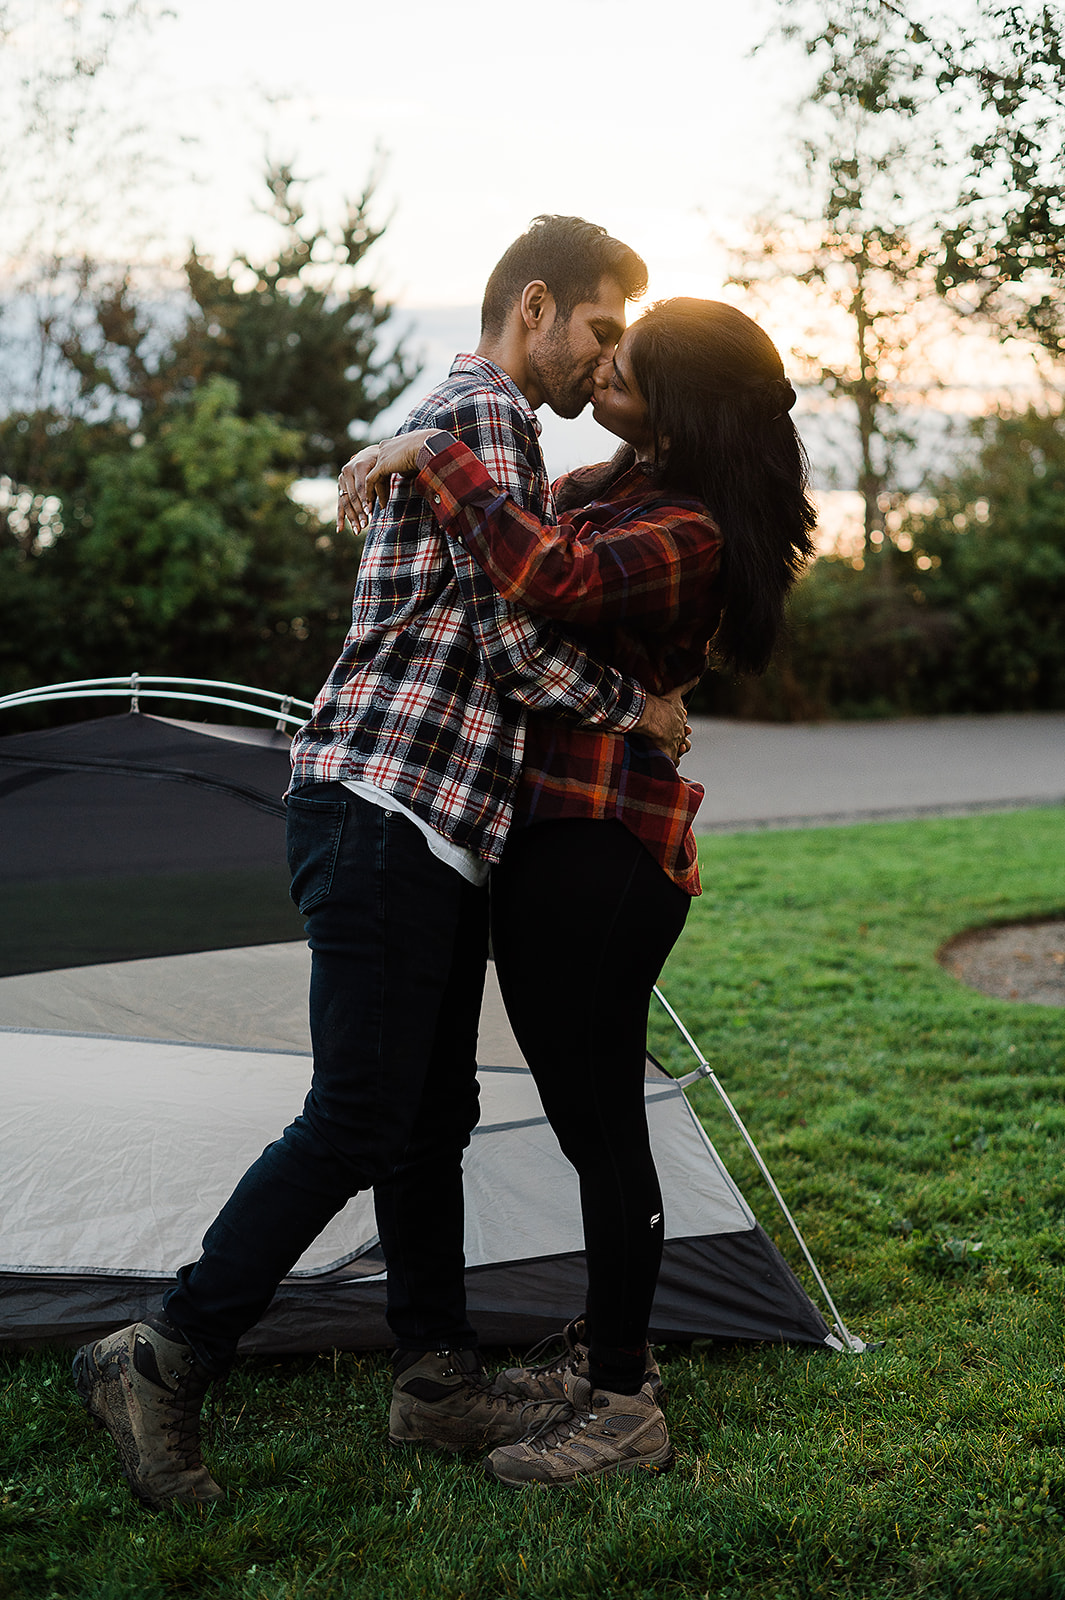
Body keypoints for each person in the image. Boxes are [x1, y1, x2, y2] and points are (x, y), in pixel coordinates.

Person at [70, 216, 692, 1510]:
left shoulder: (461, 420)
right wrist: (636, 704)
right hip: (387, 802)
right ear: (535, 307)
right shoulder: (488, 416)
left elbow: (505, 607)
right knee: (364, 1110)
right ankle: (164, 1352)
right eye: (599, 327)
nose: (603, 358)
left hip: (430, 818)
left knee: (428, 1116)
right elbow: (511, 639)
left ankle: (436, 1380)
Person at [349, 297, 817, 1485]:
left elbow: (545, 578)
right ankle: (619, 1353)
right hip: (553, 839)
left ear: (684, 402)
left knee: (604, 1128)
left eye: (632, 361)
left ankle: (622, 1407)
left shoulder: (692, 529)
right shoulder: (622, 480)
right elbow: (509, 557)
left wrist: (435, 449)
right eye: (609, 349)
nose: (606, 367)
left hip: (608, 850)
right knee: (580, 1120)